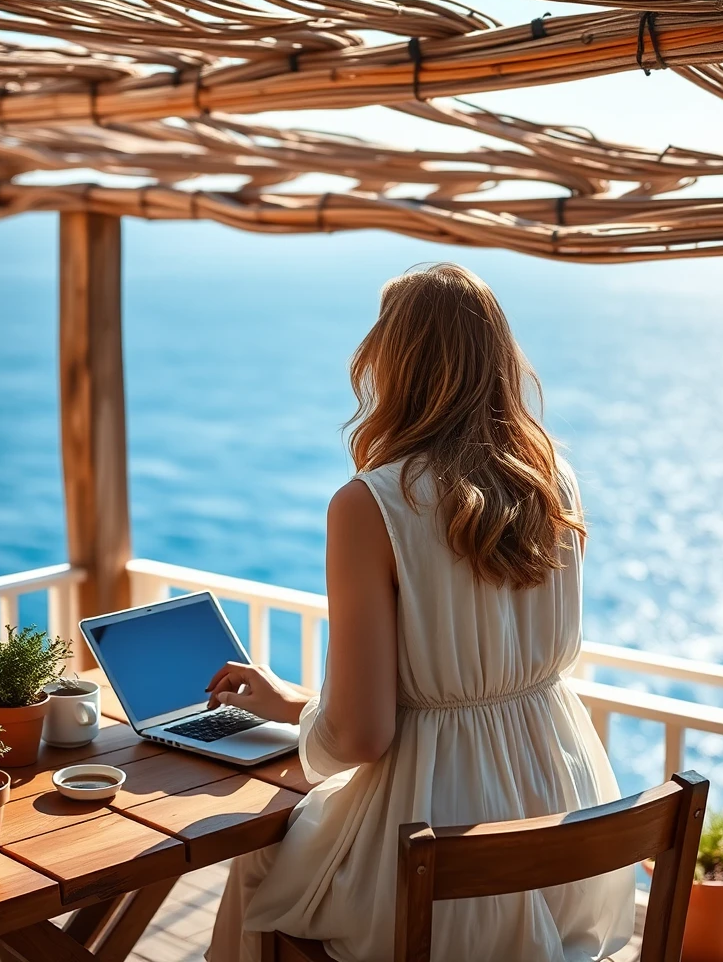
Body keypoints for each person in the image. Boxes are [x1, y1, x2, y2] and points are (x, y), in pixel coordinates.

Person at [205, 263, 635, 962]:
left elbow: (364, 739)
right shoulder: (549, 481)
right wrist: (300, 705)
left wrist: (317, 727)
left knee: (265, 867)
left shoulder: (370, 505)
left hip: (435, 852)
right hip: (561, 823)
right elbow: (467, 690)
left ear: (393, 362)